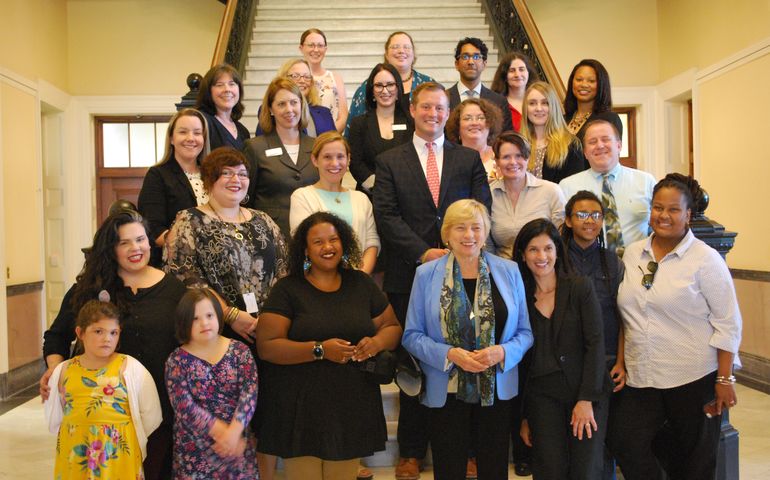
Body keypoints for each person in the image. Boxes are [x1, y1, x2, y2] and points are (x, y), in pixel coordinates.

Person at [373, 82, 491, 479]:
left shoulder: (468, 160)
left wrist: (456, 253)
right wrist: (424, 253)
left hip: (465, 276)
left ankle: (467, 450)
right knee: (416, 364)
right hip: (411, 275)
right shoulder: (390, 160)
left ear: (448, 112)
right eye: (426, 107)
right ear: (413, 109)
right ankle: (410, 451)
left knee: (462, 359)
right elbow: (386, 216)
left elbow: (480, 209)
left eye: (440, 108)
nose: (434, 114)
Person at [163, 146, 287, 480]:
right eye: (227, 173)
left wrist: (270, 319)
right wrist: (231, 314)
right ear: (209, 180)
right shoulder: (190, 220)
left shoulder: (263, 220)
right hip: (215, 334)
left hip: (267, 331)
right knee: (229, 417)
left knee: (263, 416)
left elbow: (283, 272)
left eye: (243, 173)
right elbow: (185, 276)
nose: (236, 180)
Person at [608, 174, 742, 480]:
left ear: (688, 215)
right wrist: (620, 360)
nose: (663, 216)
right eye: (657, 208)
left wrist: (724, 378)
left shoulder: (705, 260)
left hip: (692, 376)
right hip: (642, 375)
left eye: (673, 210)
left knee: (695, 461)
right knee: (624, 441)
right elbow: (625, 314)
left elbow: (728, 322)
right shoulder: (632, 253)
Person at [40, 210, 186, 479]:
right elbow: (56, 336)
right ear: (111, 249)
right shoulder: (89, 288)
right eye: (124, 242)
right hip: (101, 414)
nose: (136, 248)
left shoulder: (174, 289)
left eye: (140, 239)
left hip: (161, 412)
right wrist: (55, 371)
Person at [256, 212, 402, 480]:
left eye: (333, 240)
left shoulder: (361, 284)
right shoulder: (288, 289)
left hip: (351, 405)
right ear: (306, 250)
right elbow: (267, 346)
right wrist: (320, 349)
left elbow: (392, 327)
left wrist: (376, 342)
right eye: (318, 242)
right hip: (300, 408)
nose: (328, 247)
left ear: (344, 243)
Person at [402, 199, 533, 480]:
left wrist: (502, 352)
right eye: (460, 228)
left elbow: (525, 333)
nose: (469, 235)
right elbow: (411, 336)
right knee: (449, 468)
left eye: (476, 227)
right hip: (445, 386)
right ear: (446, 234)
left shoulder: (509, 271)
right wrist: (449, 354)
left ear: (486, 232)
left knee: (494, 468)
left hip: (496, 385)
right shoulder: (425, 275)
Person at [513, 219, 612, 480]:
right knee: (549, 470)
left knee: (585, 471)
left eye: (548, 248)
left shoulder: (580, 287)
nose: (541, 256)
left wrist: (586, 399)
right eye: (533, 249)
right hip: (542, 398)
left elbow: (595, 344)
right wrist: (524, 417)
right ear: (523, 255)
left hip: (584, 391)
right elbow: (520, 362)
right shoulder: (518, 297)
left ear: (558, 251)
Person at [44, 299, 162, 479]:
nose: (107, 338)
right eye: (98, 331)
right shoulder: (64, 370)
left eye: (113, 333)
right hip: (75, 450)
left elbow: (151, 413)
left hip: (119, 453)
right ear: (80, 332)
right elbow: (56, 412)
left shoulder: (130, 367)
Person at [562, 190, 626, 480]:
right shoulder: (557, 258)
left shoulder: (612, 262)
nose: (589, 221)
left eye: (595, 215)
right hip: (569, 362)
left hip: (608, 360)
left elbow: (624, 317)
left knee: (604, 442)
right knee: (575, 443)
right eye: (582, 215)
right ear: (568, 220)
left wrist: (621, 362)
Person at [165, 288, 258, 479]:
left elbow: (249, 393)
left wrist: (233, 432)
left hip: (235, 443)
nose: (204, 323)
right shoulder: (176, 360)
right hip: (195, 448)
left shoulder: (240, 351)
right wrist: (221, 432)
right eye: (195, 318)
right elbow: (184, 406)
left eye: (209, 315)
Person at [559, 116, 655, 256]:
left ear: (619, 145)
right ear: (585, 152)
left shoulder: (646, 181)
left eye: (606, 139)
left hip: (638, 267)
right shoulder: (567, 186)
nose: (600, 145)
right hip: (588, 268)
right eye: (592, 142)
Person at [290, 131, 380, 274]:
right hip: (318, 283)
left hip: (358, 283)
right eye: (327, 157)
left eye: (340, 156)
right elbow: (304, 243)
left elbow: (371, 243)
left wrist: (360, 278)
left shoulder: (361, 199)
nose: (335, 163)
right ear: (314, 160)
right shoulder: (302, 196)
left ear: (348, 159)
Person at [244, 77, 319, 238]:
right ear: (270, 109)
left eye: (294, 102)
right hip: (269, 235)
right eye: (281, 104)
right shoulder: (255, 147)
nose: (289, 109)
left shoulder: (317, 146)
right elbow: (245, 199)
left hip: (312, 234)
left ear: (301, 105)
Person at [137, 108, 210, 266]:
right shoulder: (157, 175)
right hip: (177, 263)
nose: (191, 138)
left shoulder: (212, 174)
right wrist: (193, 248)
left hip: (215, 260)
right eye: (183, 132)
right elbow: (153, 228)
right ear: (171, 138)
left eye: (197, 133)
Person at [488, 132, 565, 259]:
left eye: (519, 156)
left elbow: (561, 238)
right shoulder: (488, 194)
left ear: (528, 158)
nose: (513, 162)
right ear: (497, 161)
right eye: (506, 157)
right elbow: (487, 244)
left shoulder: (551, 191)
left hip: (542, 267)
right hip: (503, 271)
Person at [346, 31, 435, 133]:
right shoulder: (368, 86)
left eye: (406, 47)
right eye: (395, 47)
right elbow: (353, 128)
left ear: (413, 54)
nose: (401, 51)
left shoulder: (427, 85)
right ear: (386, 54)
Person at [348, 63, 414, 196]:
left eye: (390, 84)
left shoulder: (411, 122)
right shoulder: (359, 123)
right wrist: (378, 186)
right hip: (369, 195)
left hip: (405, 194)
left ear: (398, 88)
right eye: (379, 85)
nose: (385, 91)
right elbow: (356, 163)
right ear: (371, 90)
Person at [521, 81, 588, 184]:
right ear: (526, 108)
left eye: (545, 103)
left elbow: (575, 189)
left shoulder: (571, 145)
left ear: (553, 106)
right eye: (532, 103)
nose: (539, 108)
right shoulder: (519, 144)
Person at [446, 37, 513, 133]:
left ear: (484, 64)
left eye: (476, 57)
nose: (471, 62)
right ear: (457, 64)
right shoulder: (445, 99)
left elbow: (506, 138)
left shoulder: (499, 102)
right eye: (465, 57)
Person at [256, 59, 336, 137]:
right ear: (283, 79)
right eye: (295, 76)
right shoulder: (272, 110)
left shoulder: (324, 113)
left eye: (306, 76)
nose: (302, 81)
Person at [299, 28, 349, 132]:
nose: (316, 50)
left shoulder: (335, 78)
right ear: (301, 48)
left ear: (325, 49)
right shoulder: (293, 78)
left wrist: (326, 139)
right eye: (311, 45)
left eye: (320, 45)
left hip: (330, 140)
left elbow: (343, 117)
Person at [196, 63, 251, 151]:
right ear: (208, 91)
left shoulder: (243, 131)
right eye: (219, 85)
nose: (227, 89)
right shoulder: (202, 122)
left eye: (232, 84)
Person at [445, 98, 503, 179]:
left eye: (480, 118)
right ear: (457, 126)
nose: (474, 123)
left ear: (490, 123)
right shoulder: (447, 160)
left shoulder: (502, 156)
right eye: (467, 118)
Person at [563, 59, 621, 140]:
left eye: (591, 81)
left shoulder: (609, 119)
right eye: (579, 80)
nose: (584, 85)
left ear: (601, 85)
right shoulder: (562, 120)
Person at [490, 51, 540, 132]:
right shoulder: (496, 104)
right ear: (505, 76)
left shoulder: (540, 102)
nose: (517, 74)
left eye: (521, 69)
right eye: (512, 70)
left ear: (528, 73)